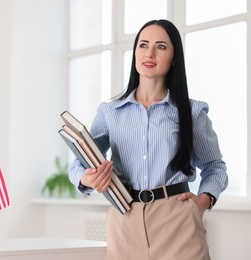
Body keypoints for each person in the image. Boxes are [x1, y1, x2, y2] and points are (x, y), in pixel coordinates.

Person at [68, 19, 228, 260]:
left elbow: (215, 167)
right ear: (135, 53)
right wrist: (86, 178)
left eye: (161, 46)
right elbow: (78, 162)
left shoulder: (192, 112)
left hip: (178, 221)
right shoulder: (109, 112)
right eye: (143, 45)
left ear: (174, 57)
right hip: (124, 219)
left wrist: (203, 202)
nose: (149, 53)